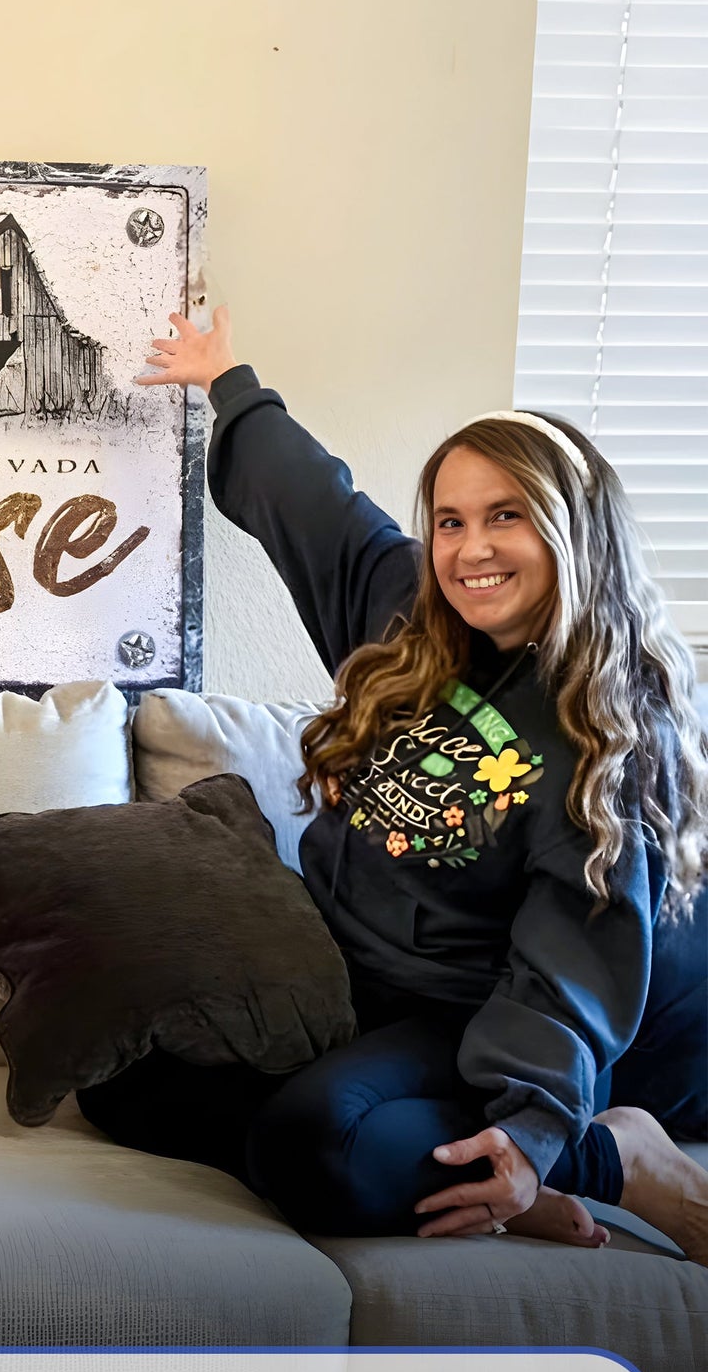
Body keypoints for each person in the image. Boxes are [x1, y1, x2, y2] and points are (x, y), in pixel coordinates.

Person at [75, 305, 708, 1264]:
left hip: (477, 1010)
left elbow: (573, 957)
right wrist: (227, 382)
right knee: (118, 1073)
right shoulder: (407, 617)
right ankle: (509, 1185)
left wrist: (532, 1126)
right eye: (451, 521)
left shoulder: (609, 727)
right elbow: (314, 507)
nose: (470, 549)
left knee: (312, 1146)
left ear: (573, 528)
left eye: (506, 516)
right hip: (350, 969)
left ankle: (605, 1156)